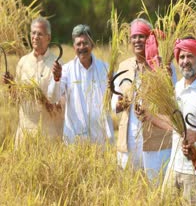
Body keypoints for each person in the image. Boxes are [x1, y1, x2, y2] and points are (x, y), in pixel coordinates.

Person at [112, 18, 177, 183]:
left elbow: (173, 99)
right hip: (128, 142)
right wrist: (119, 104)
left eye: (141, 36)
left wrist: (167, 77)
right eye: (134, 36)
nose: (137, 40)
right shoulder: (124, 66)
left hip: (155, 143)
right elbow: (114, 101)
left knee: (154, 188)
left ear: (150, 38)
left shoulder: (162, 66)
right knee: (128, 189)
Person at [163, 37, 196, 206]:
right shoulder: (178, 87)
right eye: (182, 57)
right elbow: (173, 127)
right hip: (173, 167)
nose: (185, 61)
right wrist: (148, 116)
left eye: (190, 56)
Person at [48, 24, 114, 146]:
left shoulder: (106, 69)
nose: (82, 47)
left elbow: (114, 103)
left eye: (85, 43)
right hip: (75, 141)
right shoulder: (66, 70)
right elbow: (53, 97)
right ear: (74, 47)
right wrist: (56, 78)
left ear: (92, 44)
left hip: (102, 140)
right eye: (78, 44)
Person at [2, 17, 64, 146]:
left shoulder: (57, 64)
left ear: (48, 38)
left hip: (49, 135)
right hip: (25, 134)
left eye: (40, 34)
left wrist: (56, 78)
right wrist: (10, 85)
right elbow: (16, 98)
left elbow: (60, 101)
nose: (35, 37)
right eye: (33, 33)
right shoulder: (23, 62)